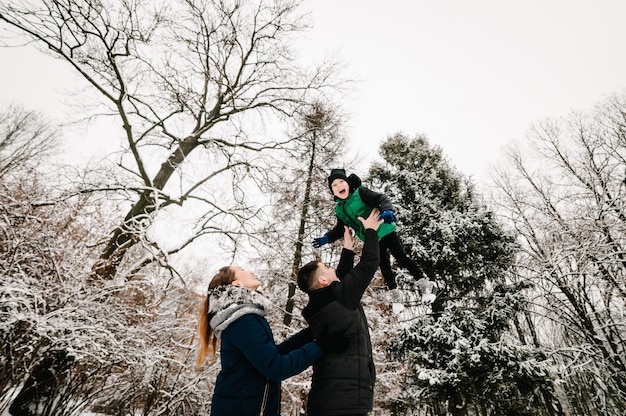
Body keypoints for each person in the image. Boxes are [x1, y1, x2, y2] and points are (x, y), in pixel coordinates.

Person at [196, 265, 345, 416]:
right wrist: (320, 346)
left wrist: (308, 334)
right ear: (236, 284)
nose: (250, 271)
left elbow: (270, 356)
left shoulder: (245, 316)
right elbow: (276, 368)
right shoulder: (242, 320)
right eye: (242, 270)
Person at [297, 209, 382, 416]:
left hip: (329, 398)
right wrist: (371, 231)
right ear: (323, 281)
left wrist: (348, 247)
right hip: (345, 401)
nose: (331, 267)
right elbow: (369, 264)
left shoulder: (323, 304)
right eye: (326, 267)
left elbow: (343, 277)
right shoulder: (340, 298)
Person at [313, 168, 435, 301]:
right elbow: (341, 228)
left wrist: (387, 210)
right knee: (384, 265)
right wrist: (328, 237)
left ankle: (423, 282)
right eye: (334, 185)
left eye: (341, 181)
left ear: (348, 183)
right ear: (333, 191)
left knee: (401, 257)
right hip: (372, 238)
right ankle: (395, 294)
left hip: (385, 230)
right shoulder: (340, 210)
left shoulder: (360, 193)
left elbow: (380, 198)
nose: (339, 186)